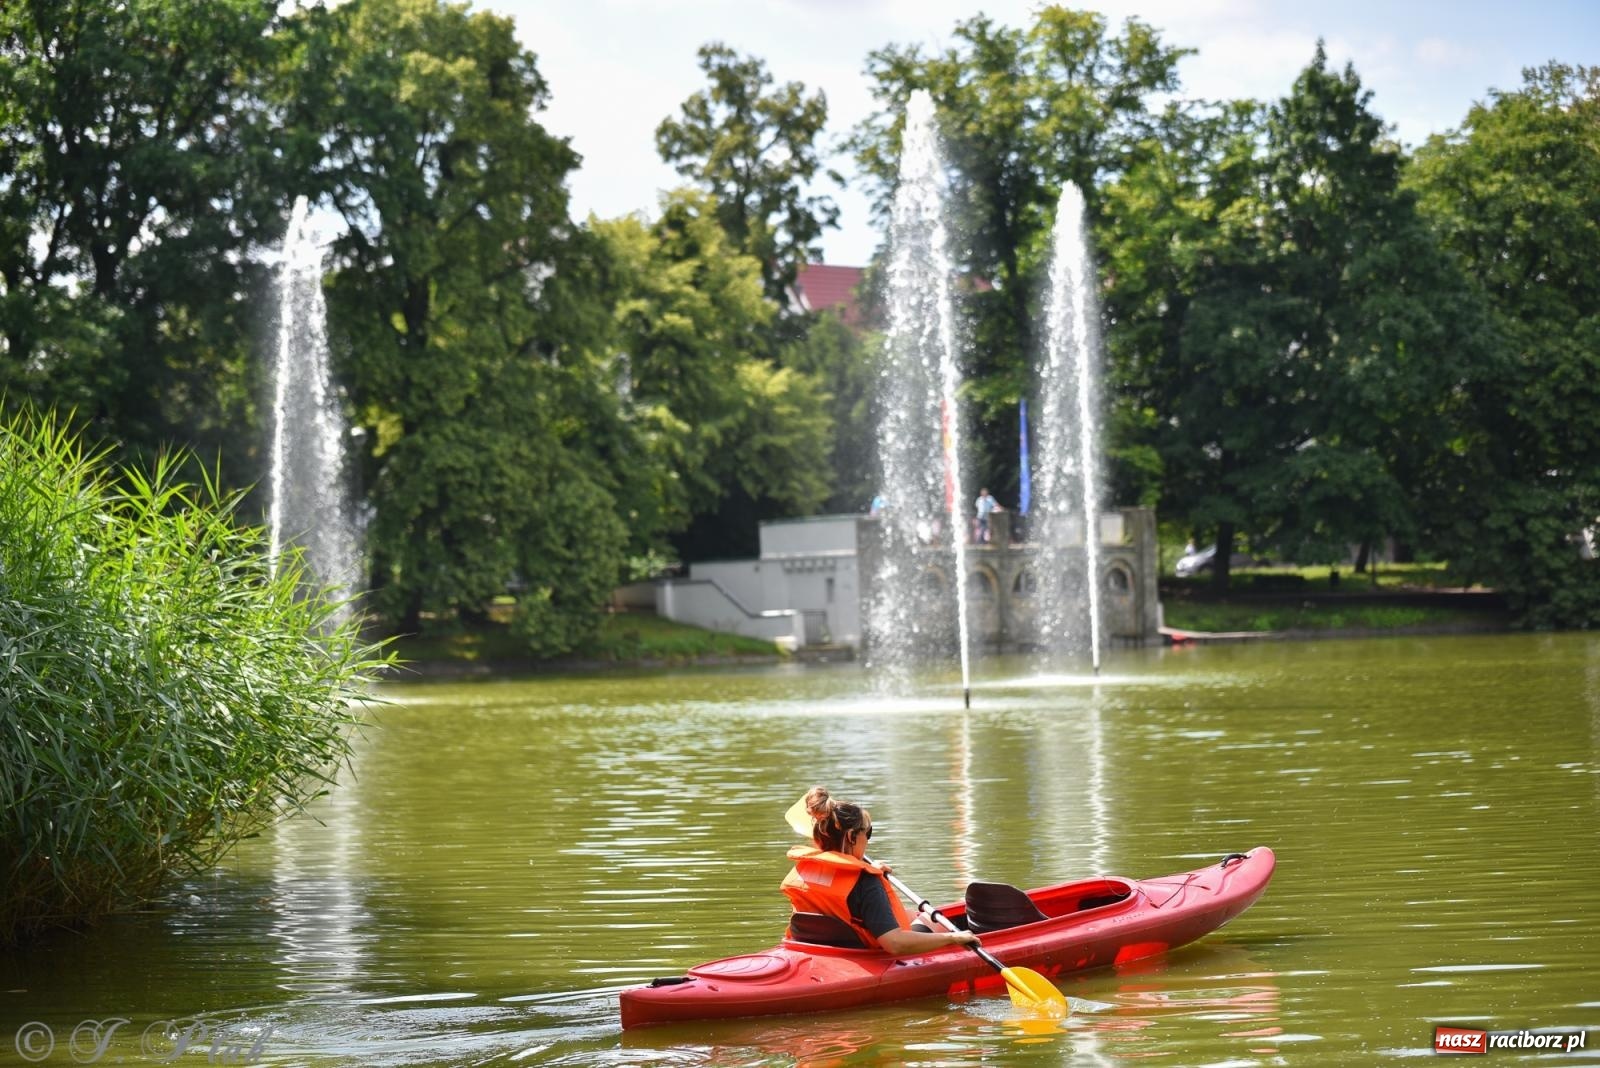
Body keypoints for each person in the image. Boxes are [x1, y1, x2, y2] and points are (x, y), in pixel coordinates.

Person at [782, 786, 981, 955]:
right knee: (933, 919)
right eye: (867, 832)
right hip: (863, 954)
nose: (868, 840)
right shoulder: (865, 882)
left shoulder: (806, 869)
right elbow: (894, 944)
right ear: (851, 837)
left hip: (816, 948)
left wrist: (869, 869)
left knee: (910, 915)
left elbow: (838, 894)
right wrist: (952, 938)